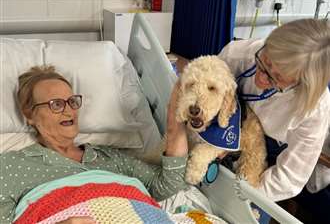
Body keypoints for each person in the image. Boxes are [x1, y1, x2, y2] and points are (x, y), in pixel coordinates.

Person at [0, 65, 189, 223]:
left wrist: (175, 122)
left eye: (72, 102)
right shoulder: (10, 166)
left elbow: (165, 184)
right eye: (56, 104)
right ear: (29, 114)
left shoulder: (110, 157)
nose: (69, 111)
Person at [218, 19, 330, 223]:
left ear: (301, 83)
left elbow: (290, 177)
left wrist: (243, 194)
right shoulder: (240, 54)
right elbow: (209, 88)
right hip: (228, 124)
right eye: (264, 63)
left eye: (275, 79)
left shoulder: (314, 110)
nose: (260, 79)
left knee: (245, 214)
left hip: (271, 153)